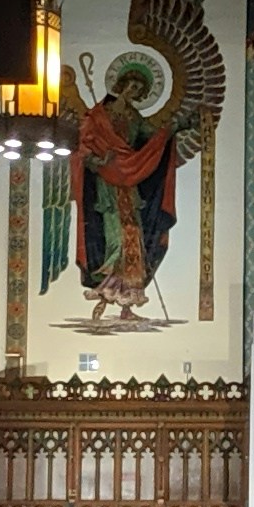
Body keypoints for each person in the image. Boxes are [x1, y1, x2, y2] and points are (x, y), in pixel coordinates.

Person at [74, 54, 178, 324]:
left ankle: (125, 306)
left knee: (134, 240)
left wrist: (172, 130)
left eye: (138, 90)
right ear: (120, 85)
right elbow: (83, 150)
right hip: (106, 189)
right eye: (130, 86)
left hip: (129, 188)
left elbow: (152, 140)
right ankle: (105, 298)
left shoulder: (134, 117)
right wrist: (100, 161)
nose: (133, 92)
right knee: (116, 241)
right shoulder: (98, 115)